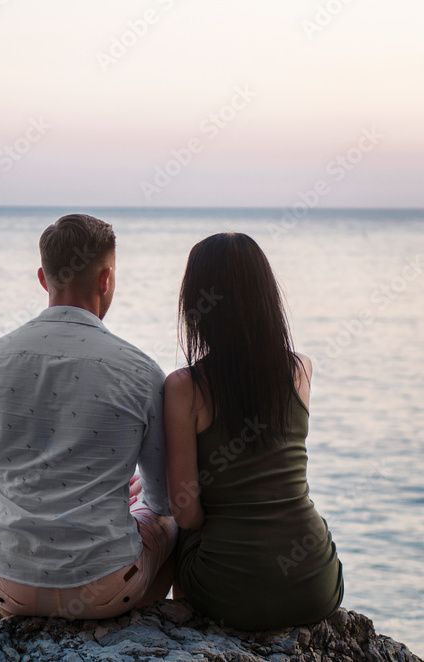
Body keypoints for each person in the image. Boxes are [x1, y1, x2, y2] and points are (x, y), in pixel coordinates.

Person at [0, 214, 178, 619]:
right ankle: (140, 629)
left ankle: (25, 628)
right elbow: (162, 500)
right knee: (170, 526)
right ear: (106, 279)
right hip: (109, 589)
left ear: (43, 278)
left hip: (9, 587)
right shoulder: (142, 371)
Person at [164, 232, 343, 630]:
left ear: (197, 305)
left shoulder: (184, 387)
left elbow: (186, 513)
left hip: (227, 592)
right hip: (316, 583)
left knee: (171, 531)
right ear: (267, 298)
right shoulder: (300, 369)